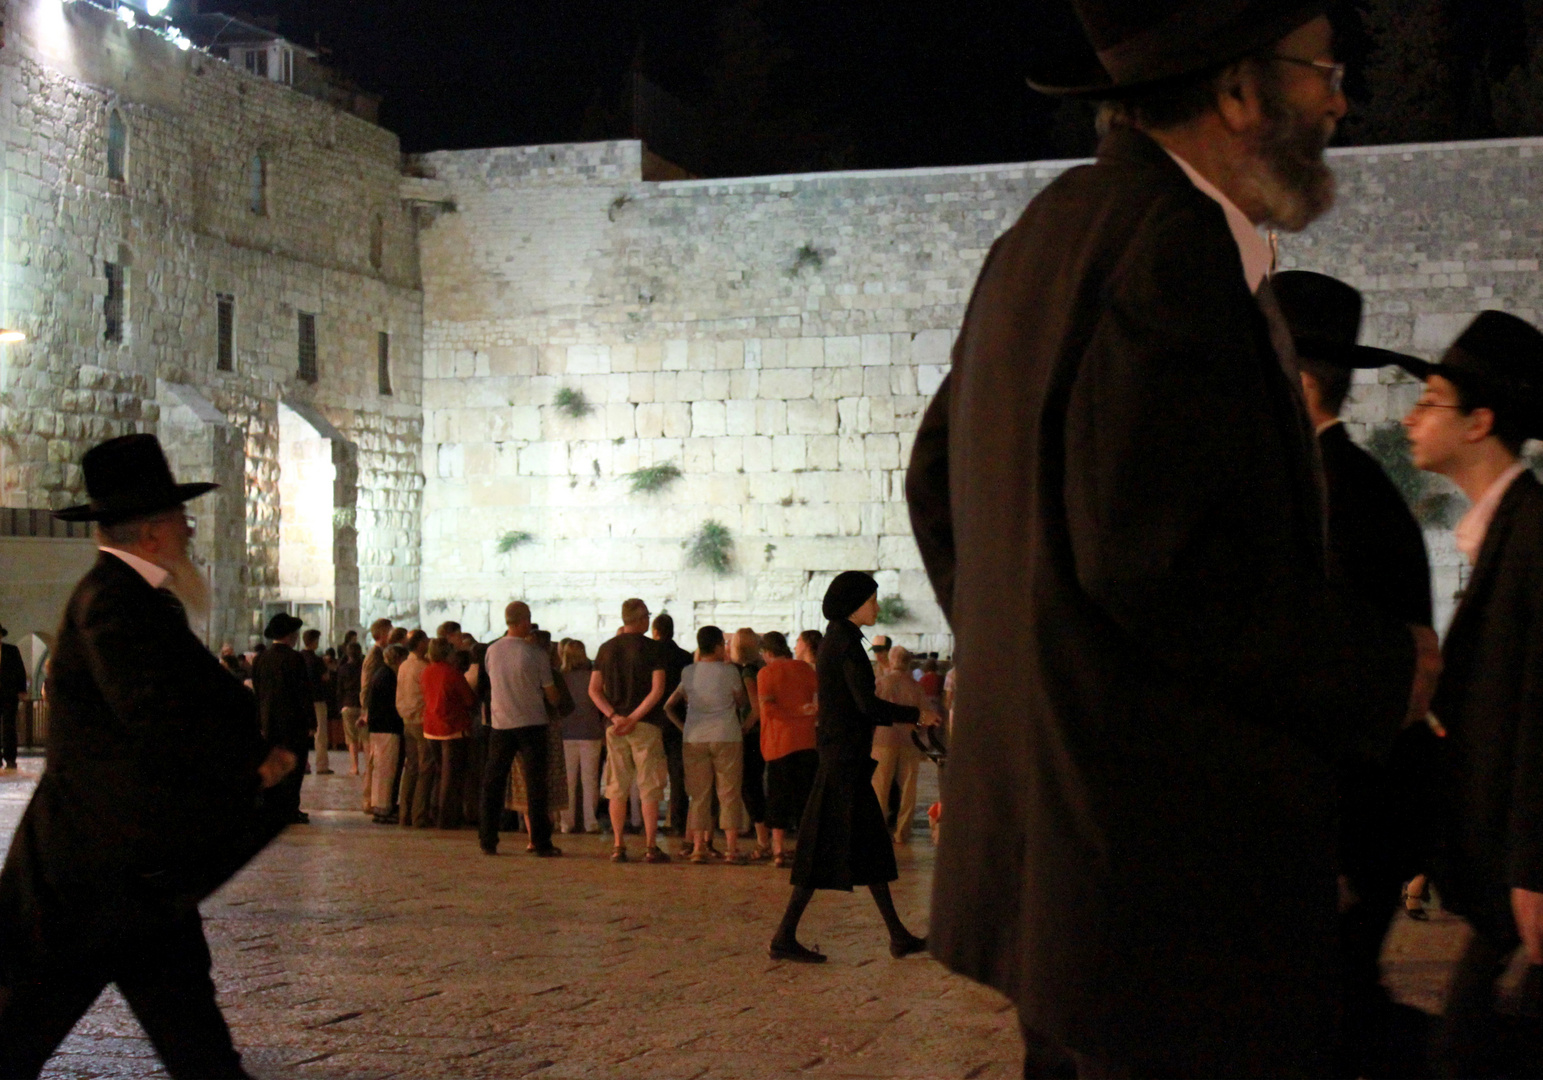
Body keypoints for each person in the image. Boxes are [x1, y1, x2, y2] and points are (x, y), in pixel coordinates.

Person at [903, 4, 1442, 1073]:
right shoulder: (1171, 247)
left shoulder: (1047, 231)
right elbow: (1156, 565)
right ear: (1240, 93)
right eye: (1319, 70)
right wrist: (1382, 668)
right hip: (1160, 889)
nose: (1336, 99)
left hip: (1075, 872)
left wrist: (1038, 660)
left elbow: (935, 480)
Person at [0, 433, 294, 1079]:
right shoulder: (116, 603)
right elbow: (157, 715)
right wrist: (248, 769)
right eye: (182, 520)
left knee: (195, 1042)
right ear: (155, 530)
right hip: (96, 879)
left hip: (131, 877)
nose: (191, 531)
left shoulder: (125, 598)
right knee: (23, 1032)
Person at [1274, 269, 1441, 1077]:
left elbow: (1337, 682)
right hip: (1343, 825)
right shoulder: (1330, 485)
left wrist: (1329, 848)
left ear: (1297, 382)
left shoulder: (1335, 496)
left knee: (1334, 1026)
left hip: (1346, 824)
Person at [1400, 311, 1543, 1078]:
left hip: (1518, 879)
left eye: (1428, 400)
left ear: (1479, 421)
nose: (1408, 416)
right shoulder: (1504, 530)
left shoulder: (1532, 535)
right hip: (1496, 872)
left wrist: (1532, 869)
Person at [771, 573, 939, 964]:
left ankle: (897, 935)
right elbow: (866, 705)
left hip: (845, 758)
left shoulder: (840, 640)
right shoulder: (845, 644)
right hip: (843, 761)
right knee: (822, 849)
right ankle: (784, 936)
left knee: (870, 846)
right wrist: (917, 714)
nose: (877, 607)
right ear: (854, 604)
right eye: (872, 600)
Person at [591, 598, 671, 863]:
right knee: (649, 786)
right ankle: (650, 845)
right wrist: (635, 717)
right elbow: (657, 689)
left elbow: (594, 690)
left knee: (617, 786)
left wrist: (614, 716)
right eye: (647, 615)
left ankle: (618, 845)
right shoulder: (653, 649)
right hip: (646, 725)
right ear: (640, 619)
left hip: (615, 728)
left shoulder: (606, 649)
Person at [480, 601, 561, 857]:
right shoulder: (535, 653)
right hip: (532, 723)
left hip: (501, 724)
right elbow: (552, 695)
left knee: (493, 782)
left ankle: (488, 839)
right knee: (536, 785)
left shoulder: (492, 651)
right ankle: (540, 841)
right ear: (524, 620)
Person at [665, 626, 750, 863]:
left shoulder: (688, 672)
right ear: (717, 645)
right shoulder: (730, 672)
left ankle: (698, 848)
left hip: (694, 738)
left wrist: (684, 727)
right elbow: (741, 700)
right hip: (727, 736)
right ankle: (731, 849)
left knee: (699, 796)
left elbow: (669, 705)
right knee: (729, 794)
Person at [757, 630, 820, 868]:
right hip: (806, 741)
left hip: (778, 744)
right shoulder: (806, 670)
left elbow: (768, 709)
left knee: (777, 798)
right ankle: (806, 849)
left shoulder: (766, 673)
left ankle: (779, 850)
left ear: (768, 652)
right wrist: (804, 713)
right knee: (805, 798)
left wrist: (793, 713)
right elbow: (817, 703)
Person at [253, 612, 314, 826]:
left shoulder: (261, 658)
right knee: (293, 767)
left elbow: (258, 692)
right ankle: (289, 810)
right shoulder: (294, 658)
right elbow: (303, 693)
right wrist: (310, 722)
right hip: (293, 723)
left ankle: (271, 808)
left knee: (272, 765)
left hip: (268, 723)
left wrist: (259, 721)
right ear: (289, 635)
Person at [873, 645, 927, 845]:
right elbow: (925, 716)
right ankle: (902, 832)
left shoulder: (881, 683)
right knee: (908, 788)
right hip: (909, 740)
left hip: (883, 740)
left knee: (880, 787)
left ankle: (878, 830)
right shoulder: (916, 686)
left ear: (892, 660)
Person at [421, 636, 476, 830]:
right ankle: (447, 818)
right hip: (452, 728)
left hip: (431, 727)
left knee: (439, 772)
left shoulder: (427, 671)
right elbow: (469, 700)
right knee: (450, 777)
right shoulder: (452, 673)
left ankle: (435, 812)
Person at [729, 627, 772, 860]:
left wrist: (742, 729)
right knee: (757, 785)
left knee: (750, 787)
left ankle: (763, 840)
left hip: (752, 734)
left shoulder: (747, 671)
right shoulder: (762, 666)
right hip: (765, 734)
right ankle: (766, 839)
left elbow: (756, 708)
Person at [651, 612, 694, 841]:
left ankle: (645, 820)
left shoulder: (650, 654)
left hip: (653, 720)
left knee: (649, 774)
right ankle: (678, 821)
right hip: (678, 722)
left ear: (655, 631)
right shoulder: (685, 657)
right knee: (678, 775)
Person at [558, 639, 605, 834]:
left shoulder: (561, 678)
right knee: (590, 780)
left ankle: (566, 823)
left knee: (567, 781)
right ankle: (590, 821)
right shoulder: (592, 677)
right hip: (590, 731)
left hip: (566, 732)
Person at [364, 644, 407, 823]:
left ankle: (381, 805)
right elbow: (392, 705)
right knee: (386, 769)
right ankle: (384, 808)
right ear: (397, 658)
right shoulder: (388, 677)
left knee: (381, 769)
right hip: (387, 728)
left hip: (379, 728)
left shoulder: (381, 673)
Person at [395, 629, 431, 828]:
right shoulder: (422, 667)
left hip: (407, 720)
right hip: (421, 720)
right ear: (419, 644)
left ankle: (404, 814)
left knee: (411, 768)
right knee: (425, 769)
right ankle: (419, 816)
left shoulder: (404, 666)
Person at [299, 629, 332, 776]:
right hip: (317, 699)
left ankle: (303, 764)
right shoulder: (317, 660)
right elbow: (325, 678)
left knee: (301, 733)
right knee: (320, 734)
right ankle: (321, 766)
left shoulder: (298, 658)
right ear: (314, 642)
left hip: (301, 700)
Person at [336, 641, 365, 776]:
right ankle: (368, 768)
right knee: (365, 738)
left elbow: (339, 689)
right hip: (362, 705)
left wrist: (340, 705)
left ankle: (355, 767)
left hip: (348, 704)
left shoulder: (343, 669)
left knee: (351, 739)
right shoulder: (363, 667)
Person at [0, 623, 26, 773]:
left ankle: (10, 758)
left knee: (9, 727)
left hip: (9, 694)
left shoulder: (11, 650)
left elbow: (20, 670)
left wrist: (21, 689)